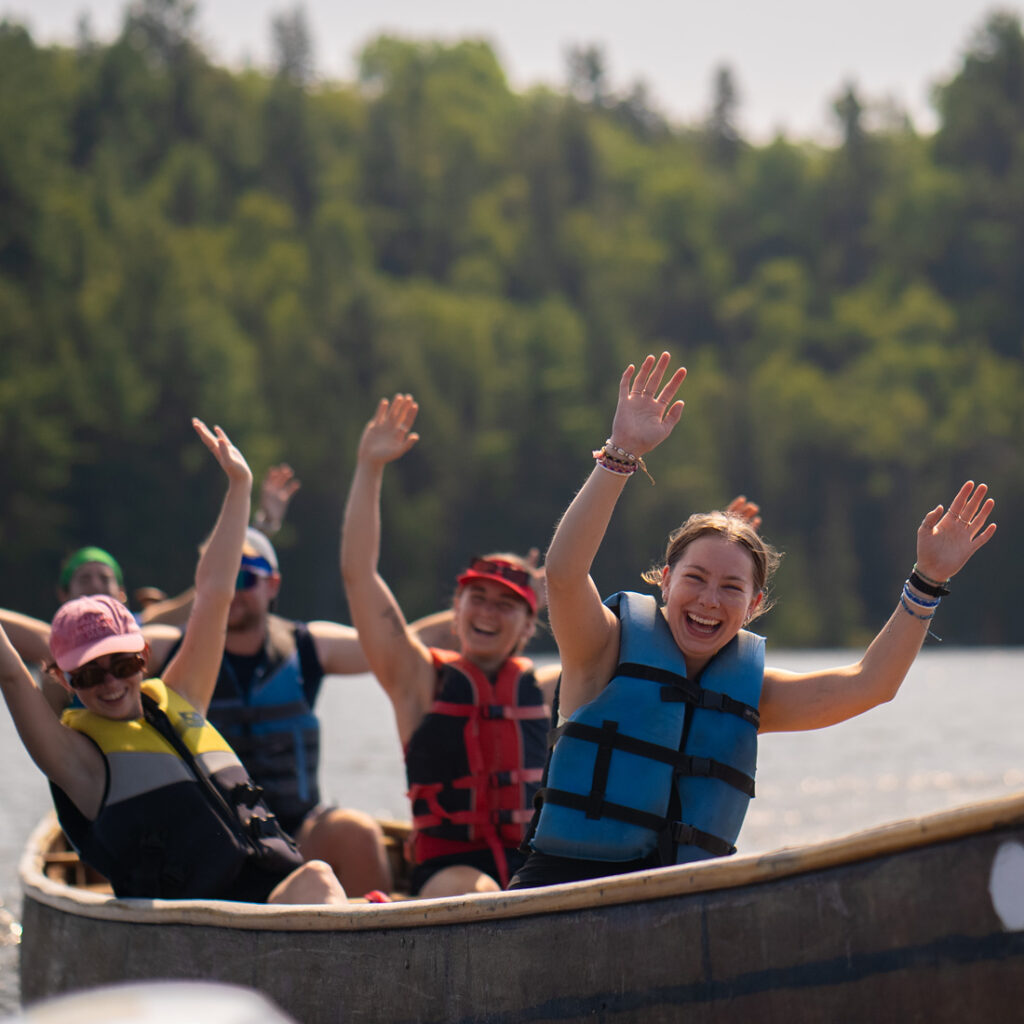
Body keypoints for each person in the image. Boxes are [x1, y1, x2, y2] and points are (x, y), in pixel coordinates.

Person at [509, 352, 997, 889]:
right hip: (560, 888)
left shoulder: (751, 694)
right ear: (664, 580)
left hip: (674, 911)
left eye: (731, 588)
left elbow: (872, 685)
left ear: (755, 605)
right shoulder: (600, 649)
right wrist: (621, 454)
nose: (709, 600)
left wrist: (927, 581)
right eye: (695, 578)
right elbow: (564, 573)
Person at [0, 420, 346, 904]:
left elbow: (215, 593)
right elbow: (13, 676)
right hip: (196, 930)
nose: (109, 683)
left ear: (143, 657)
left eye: (120, 664)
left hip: (270, 904)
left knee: (318, 878)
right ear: (65, 679)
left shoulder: (181, 696)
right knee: (319, 883)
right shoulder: (76, 762)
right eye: (89, 674)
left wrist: (240, 486)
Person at [341, 393, 561, 899]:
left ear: (528, 626)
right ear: (456, 611)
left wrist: (691, 576)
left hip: (534, 871)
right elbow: (358, 575)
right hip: (452, 875)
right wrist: (369, 468)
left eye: (504, 605)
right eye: (476, 599)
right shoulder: (416, 679)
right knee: (480, 891)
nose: (486, 612)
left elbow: (638, 655)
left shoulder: (549, 689)